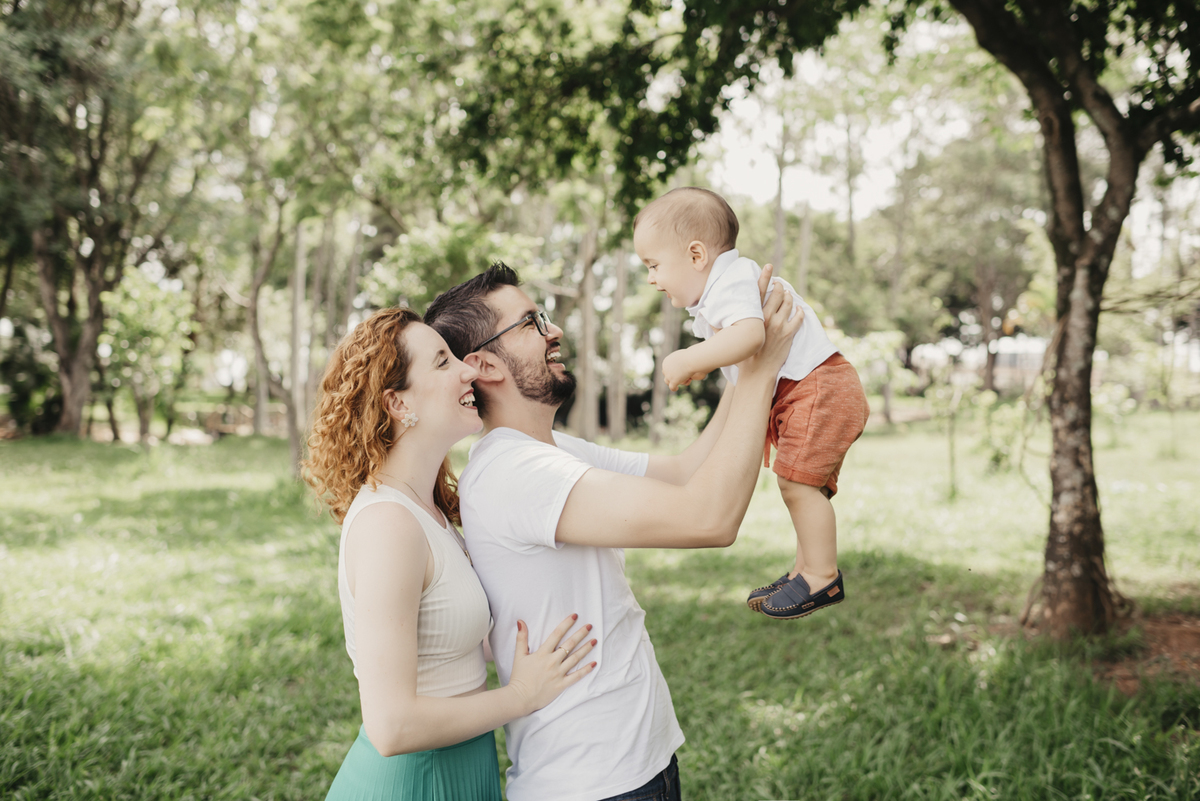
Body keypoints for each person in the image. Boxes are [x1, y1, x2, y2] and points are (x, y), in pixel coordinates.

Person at [422, 263, 802, 801]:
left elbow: (686, 470)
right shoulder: (514, 473)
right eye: (531, 323)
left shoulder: (549, 450)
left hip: (636, 762)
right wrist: (764, 371)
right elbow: (708, 518)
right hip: (593, 783)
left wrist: (741, 362)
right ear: (483, 364)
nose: (554, 331)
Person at [303, 307, 598, 801]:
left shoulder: (430, 510)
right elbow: (391, 726)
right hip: (414, 783)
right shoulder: (388, 524)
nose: (467, 369)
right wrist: (522, 696)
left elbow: (447, 644)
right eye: (442, 362)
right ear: (397, 403)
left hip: (463, 767)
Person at [632, 186, 871, 620]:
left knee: (796, 485)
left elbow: (751, 337)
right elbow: (741, 346)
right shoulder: (726, 289)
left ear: (696, 254)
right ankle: (804, 570)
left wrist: (689, 357)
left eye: (653, 265)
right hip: (811, 390)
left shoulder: (732, 281)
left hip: (815, 388)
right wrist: (711, 361)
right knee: (803, 487)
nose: (651, 278)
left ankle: (821, 575)